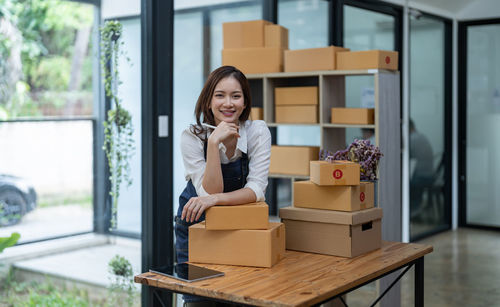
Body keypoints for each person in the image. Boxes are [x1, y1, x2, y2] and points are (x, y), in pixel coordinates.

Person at [175, 65, 271, 306]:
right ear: (208, 101)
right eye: (220, 95)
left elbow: (257, 190)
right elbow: (209, 191)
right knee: (201, 300)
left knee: (241, 296)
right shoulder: (191, 135)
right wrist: (213, 143)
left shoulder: (258, 131)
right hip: (198, 226)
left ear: (245, 102)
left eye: (236, 96)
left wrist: (215, 201)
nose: (228, 103)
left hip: (239, 226)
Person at [409, 119, 434, 219]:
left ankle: (413, 211)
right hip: (430, 175)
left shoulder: (412, 139)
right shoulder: (422, 136)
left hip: (421, 177)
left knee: (402, 185)